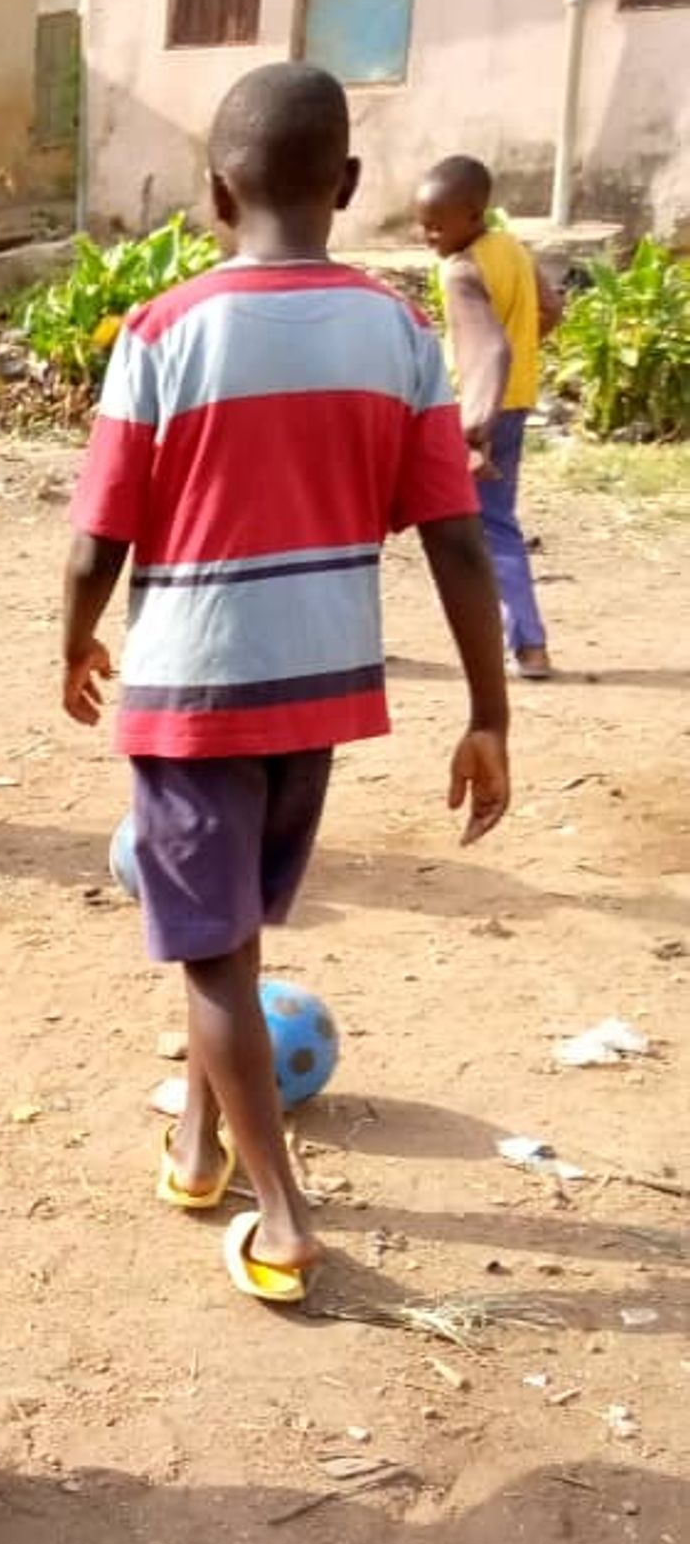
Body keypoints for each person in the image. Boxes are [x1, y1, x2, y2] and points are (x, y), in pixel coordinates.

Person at [63, 63, 511, 1305]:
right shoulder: (399, 332)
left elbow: (99, 535)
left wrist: (75, 637)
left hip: (194, 690)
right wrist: (488, 712)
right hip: (315, 690)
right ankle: (200, 1147)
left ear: (216, 193)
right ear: (350, 184)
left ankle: (282, 1211)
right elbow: (455, 536)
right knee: (232, 931)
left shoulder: (163, 331)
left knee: (215, 959)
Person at [416, 153, 561, 679]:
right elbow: (551, 309)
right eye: (423, 223)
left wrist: (474, 435)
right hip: (516, 401)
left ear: (473, 215)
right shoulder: (511, 248)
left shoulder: (460, 271)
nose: (427, 235)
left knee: (491, 527)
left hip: (479, 411)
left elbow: (487, 352)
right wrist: (520, 351)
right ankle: (523, 641)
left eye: (437, 225)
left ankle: (528, 645)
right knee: (495, 520)